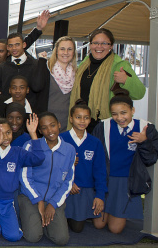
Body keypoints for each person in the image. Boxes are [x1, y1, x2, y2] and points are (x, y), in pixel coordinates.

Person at [92, 90, 158, 234]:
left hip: (127, 182)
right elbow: (95, 157)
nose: (119, 118)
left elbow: (151, 159)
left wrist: (144, 142)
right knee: (98, 225)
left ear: (132, 110)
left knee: (115, 229)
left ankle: (119, 212)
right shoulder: (102, 127)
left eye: (124, 113)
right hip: (107, 180)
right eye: (114, 114)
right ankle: (109, 209)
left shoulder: (146, 128)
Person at [0, 117, 44, 242]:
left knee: (13, 236)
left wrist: (33, 134)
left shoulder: (18, 152)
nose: (5, 137)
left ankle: (7, 222)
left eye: (8, 132)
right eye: (0, 133)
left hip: (7, 201)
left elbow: (38, 158)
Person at [69, 28, 146, 131]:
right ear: (90, 45)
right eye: (95, 43)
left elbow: (140, 93)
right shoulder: (84, 63)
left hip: (104, 124)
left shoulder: (120, 65)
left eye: (104, 43)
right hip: (81, 122)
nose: (99, 47)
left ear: (111, 46)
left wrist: (126, 80)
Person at [19, 112, 75, 245]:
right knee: (33, 237)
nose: (50, 130)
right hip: (31, 197)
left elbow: (68, 181)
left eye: (53, 125)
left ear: (59, 125)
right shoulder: (30, 145)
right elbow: (24, 176)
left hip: (53, 199)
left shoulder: (69, 150)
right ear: (39, 130)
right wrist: (38, 200)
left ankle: (44, 222)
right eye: (44, 128)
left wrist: (53, 204)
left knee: (61, 239)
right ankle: (34, 220)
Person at [59, 100, 107, 233]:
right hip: (64, 188)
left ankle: (80, 212)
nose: (82, 121)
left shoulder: (95, 142)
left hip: (84, 190)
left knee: (78, 228)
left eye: (86, 118)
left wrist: (100, 195)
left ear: (90, 120)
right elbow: (55, 167)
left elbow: (100, 171)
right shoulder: (61, 139)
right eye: (78, 117)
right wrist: (69, 182)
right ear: (71, 118)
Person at [31, 36, 77, 130]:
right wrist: (41, 62)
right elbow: (36, 86)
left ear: (74, 52)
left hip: (68, 123)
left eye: (69, 49)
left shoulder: (76, 72)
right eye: (62, 49)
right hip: (47, 123)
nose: (65, 53)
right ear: (56, 51)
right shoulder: (46, 67)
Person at [0, 33, 38, 106]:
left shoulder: (35, 65)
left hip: (31, 110)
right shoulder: (2, 67)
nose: (14, 48)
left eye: (17, 45)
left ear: (24, 45)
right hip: (7, 111)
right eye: (11, 45)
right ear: (7, 47)